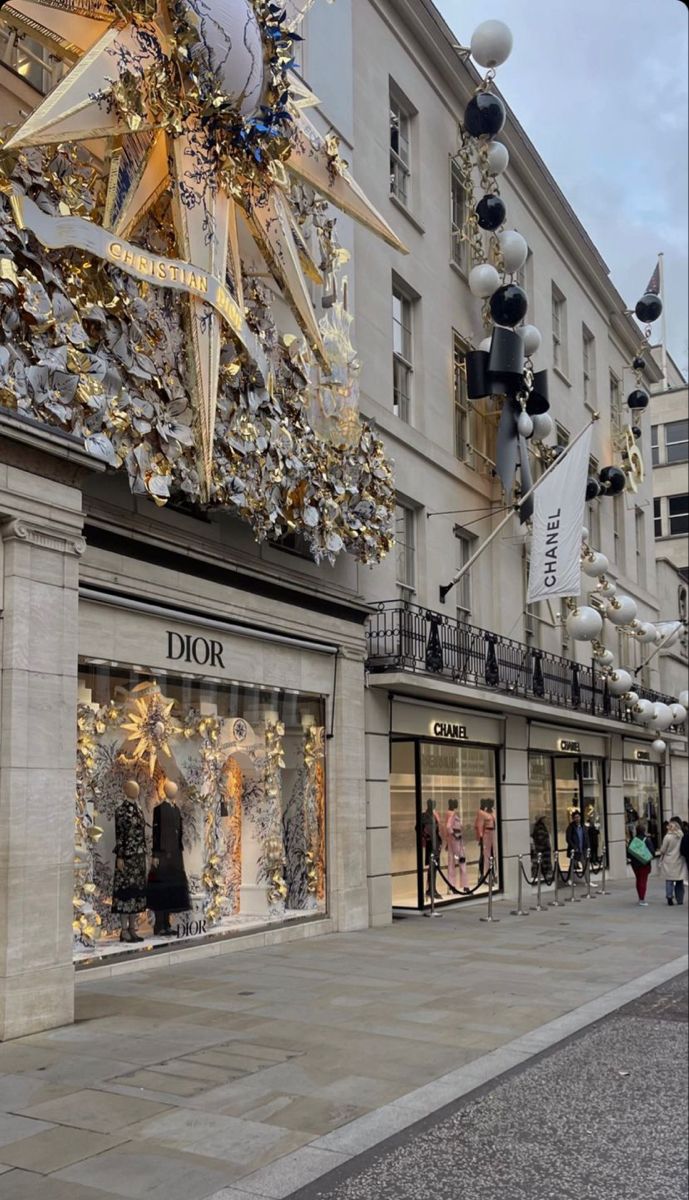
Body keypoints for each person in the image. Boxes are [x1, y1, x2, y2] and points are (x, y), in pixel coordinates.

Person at [658, 817, 688, 906]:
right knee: (679, 880)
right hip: (679, 860)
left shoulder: (667, 837)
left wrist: (662, 852)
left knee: (669, 880)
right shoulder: (681, 835)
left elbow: (663, 850)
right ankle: (680, 899)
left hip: (669, 860)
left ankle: (669, 897)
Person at [627, 821, 655, 906]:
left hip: (634, 864)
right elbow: (652, 852)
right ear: (644, 831)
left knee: (638, 880)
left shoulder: (633, 840)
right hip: (644, 864)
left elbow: (628, 853)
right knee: (643, 881)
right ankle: (642, 899)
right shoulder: (647, 840)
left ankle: (640, 897)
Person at [418, 799, 442, 900]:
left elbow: (437, 830)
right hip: (430, 844)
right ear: (428, 804)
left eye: (434, 804)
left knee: (435, 868)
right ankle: (430, 890)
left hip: (436, 843)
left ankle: (432, 888)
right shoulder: (424, 816)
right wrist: (425, 836)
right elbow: (417, 828)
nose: (433, 805)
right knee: (431, 867)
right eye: (432, 803)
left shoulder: (434, 815)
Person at [446, 800, 470, 894]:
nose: (457, 804)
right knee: (462, 860)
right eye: (455, 802)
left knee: (451, 862)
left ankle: (452, 885)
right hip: (456, 840)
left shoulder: (449, 813)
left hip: (452, 840)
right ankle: (465, 886)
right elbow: (448, 827)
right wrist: (455, 835)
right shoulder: (452, 814)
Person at [565, 809, 590, 878]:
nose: (577, 819)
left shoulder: (583, 826)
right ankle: (570, 879)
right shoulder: (571, 827)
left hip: (582, 849)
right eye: (575, 817)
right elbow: (568, 839)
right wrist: (574, 847)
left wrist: (588, 847)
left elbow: (586, 837)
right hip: (575, 850)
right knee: (573, 865)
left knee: (584, 865)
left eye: (578, 817)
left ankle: (588, 881)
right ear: (573, 818)